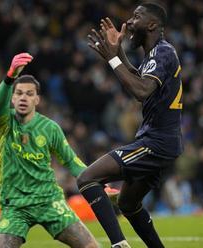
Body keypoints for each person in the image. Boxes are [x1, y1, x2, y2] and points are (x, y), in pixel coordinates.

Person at [78, 3, 183, 248]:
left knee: (86, 179)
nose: (129, 22)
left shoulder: (163, 52)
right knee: (128, 204)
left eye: (136, 16)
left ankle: (118, 244)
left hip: (156, 142)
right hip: (161, 142)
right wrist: (116, 55)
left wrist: (115, 58)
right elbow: (140, 78)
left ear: (152, 24)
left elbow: (141, 90)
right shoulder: (156, 55)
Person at [0, 53, 98, 248]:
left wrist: (99, 184)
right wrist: (10, 76)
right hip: (15, 206)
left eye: (29, 94)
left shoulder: (50, 128)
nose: (24, 98)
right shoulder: (3, 123)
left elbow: (72, 162)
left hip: (49, 200)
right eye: (19, 93)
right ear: (12, 99)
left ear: (37, 100)